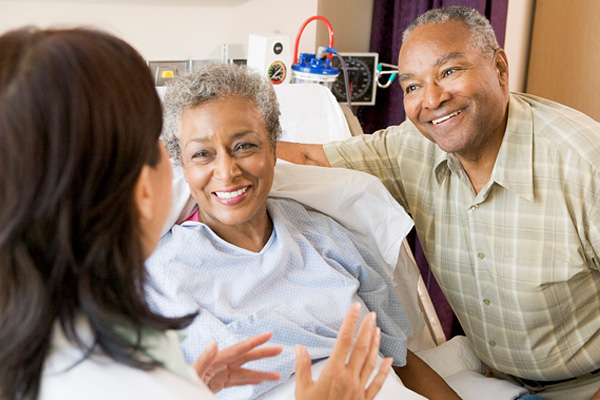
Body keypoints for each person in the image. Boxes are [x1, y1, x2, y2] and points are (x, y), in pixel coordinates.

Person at [0, 26, 396, 400]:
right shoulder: (140, 306)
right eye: (149, 139)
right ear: (136, 185)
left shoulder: (49, 333)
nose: (225, 171)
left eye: (244, 146)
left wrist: (192, 387)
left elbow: (401, 351)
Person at [277, 5, 600, 400]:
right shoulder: (411, 149)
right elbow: (311, 159)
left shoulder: (585, 166)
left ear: (500, 68)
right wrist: (209, 156)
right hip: (499, 381)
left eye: (449, 72)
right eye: (412, 86)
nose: (431, 99)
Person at [146, 62, 461, 400]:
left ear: (272, 148)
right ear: (183, 166)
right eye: (202, 155)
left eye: (244, 146)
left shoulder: (326, 236)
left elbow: (399, 359)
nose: (226, 171)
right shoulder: (164, 274)